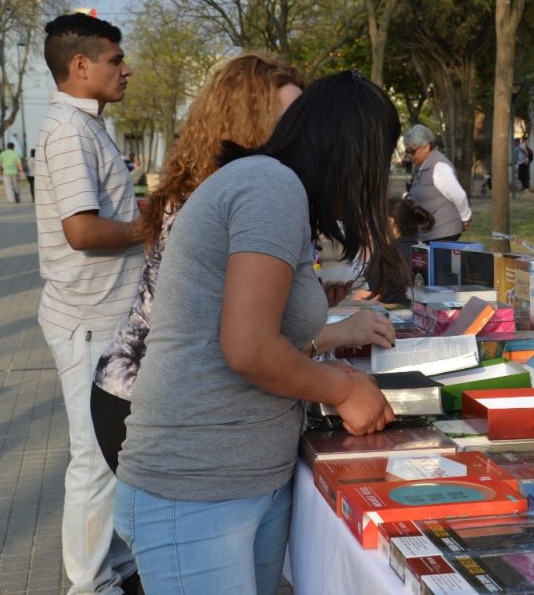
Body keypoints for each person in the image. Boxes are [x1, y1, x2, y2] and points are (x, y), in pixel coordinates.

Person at [113, 71, 399, 593]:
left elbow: (262, 333)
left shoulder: (274, 188)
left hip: (247, 480)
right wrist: (344, 388)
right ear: (352, 153)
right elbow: (248, 347)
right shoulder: (270, 185)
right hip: (197, 489)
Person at [91, 53, 392, 474]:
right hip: (159, 414)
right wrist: (340, 384)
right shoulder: (258, 189)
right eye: (289, 117)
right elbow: (243, 344)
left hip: (198, 429)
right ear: (249, 122)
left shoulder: (254, 188)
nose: (303, 133)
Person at [34, 12, 143, 595]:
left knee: (116, 450)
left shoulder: (89, 127)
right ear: (81, 66)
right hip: (87, 321)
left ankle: (117, 565)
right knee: (94, 460)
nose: (125, 70)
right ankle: (90, 583)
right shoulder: (68, 132)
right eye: (114, 61)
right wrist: (146, 231)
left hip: (109, 318)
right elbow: (81, 231)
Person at [403, 124, 471, 241]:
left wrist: (465, 218)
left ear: (426, 147)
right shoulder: (424, 165)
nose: (409, 156)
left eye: (412, 151)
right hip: (431, 232)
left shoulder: (439, 166)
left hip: (443, 232)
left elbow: (459, 195)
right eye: (407, 151)